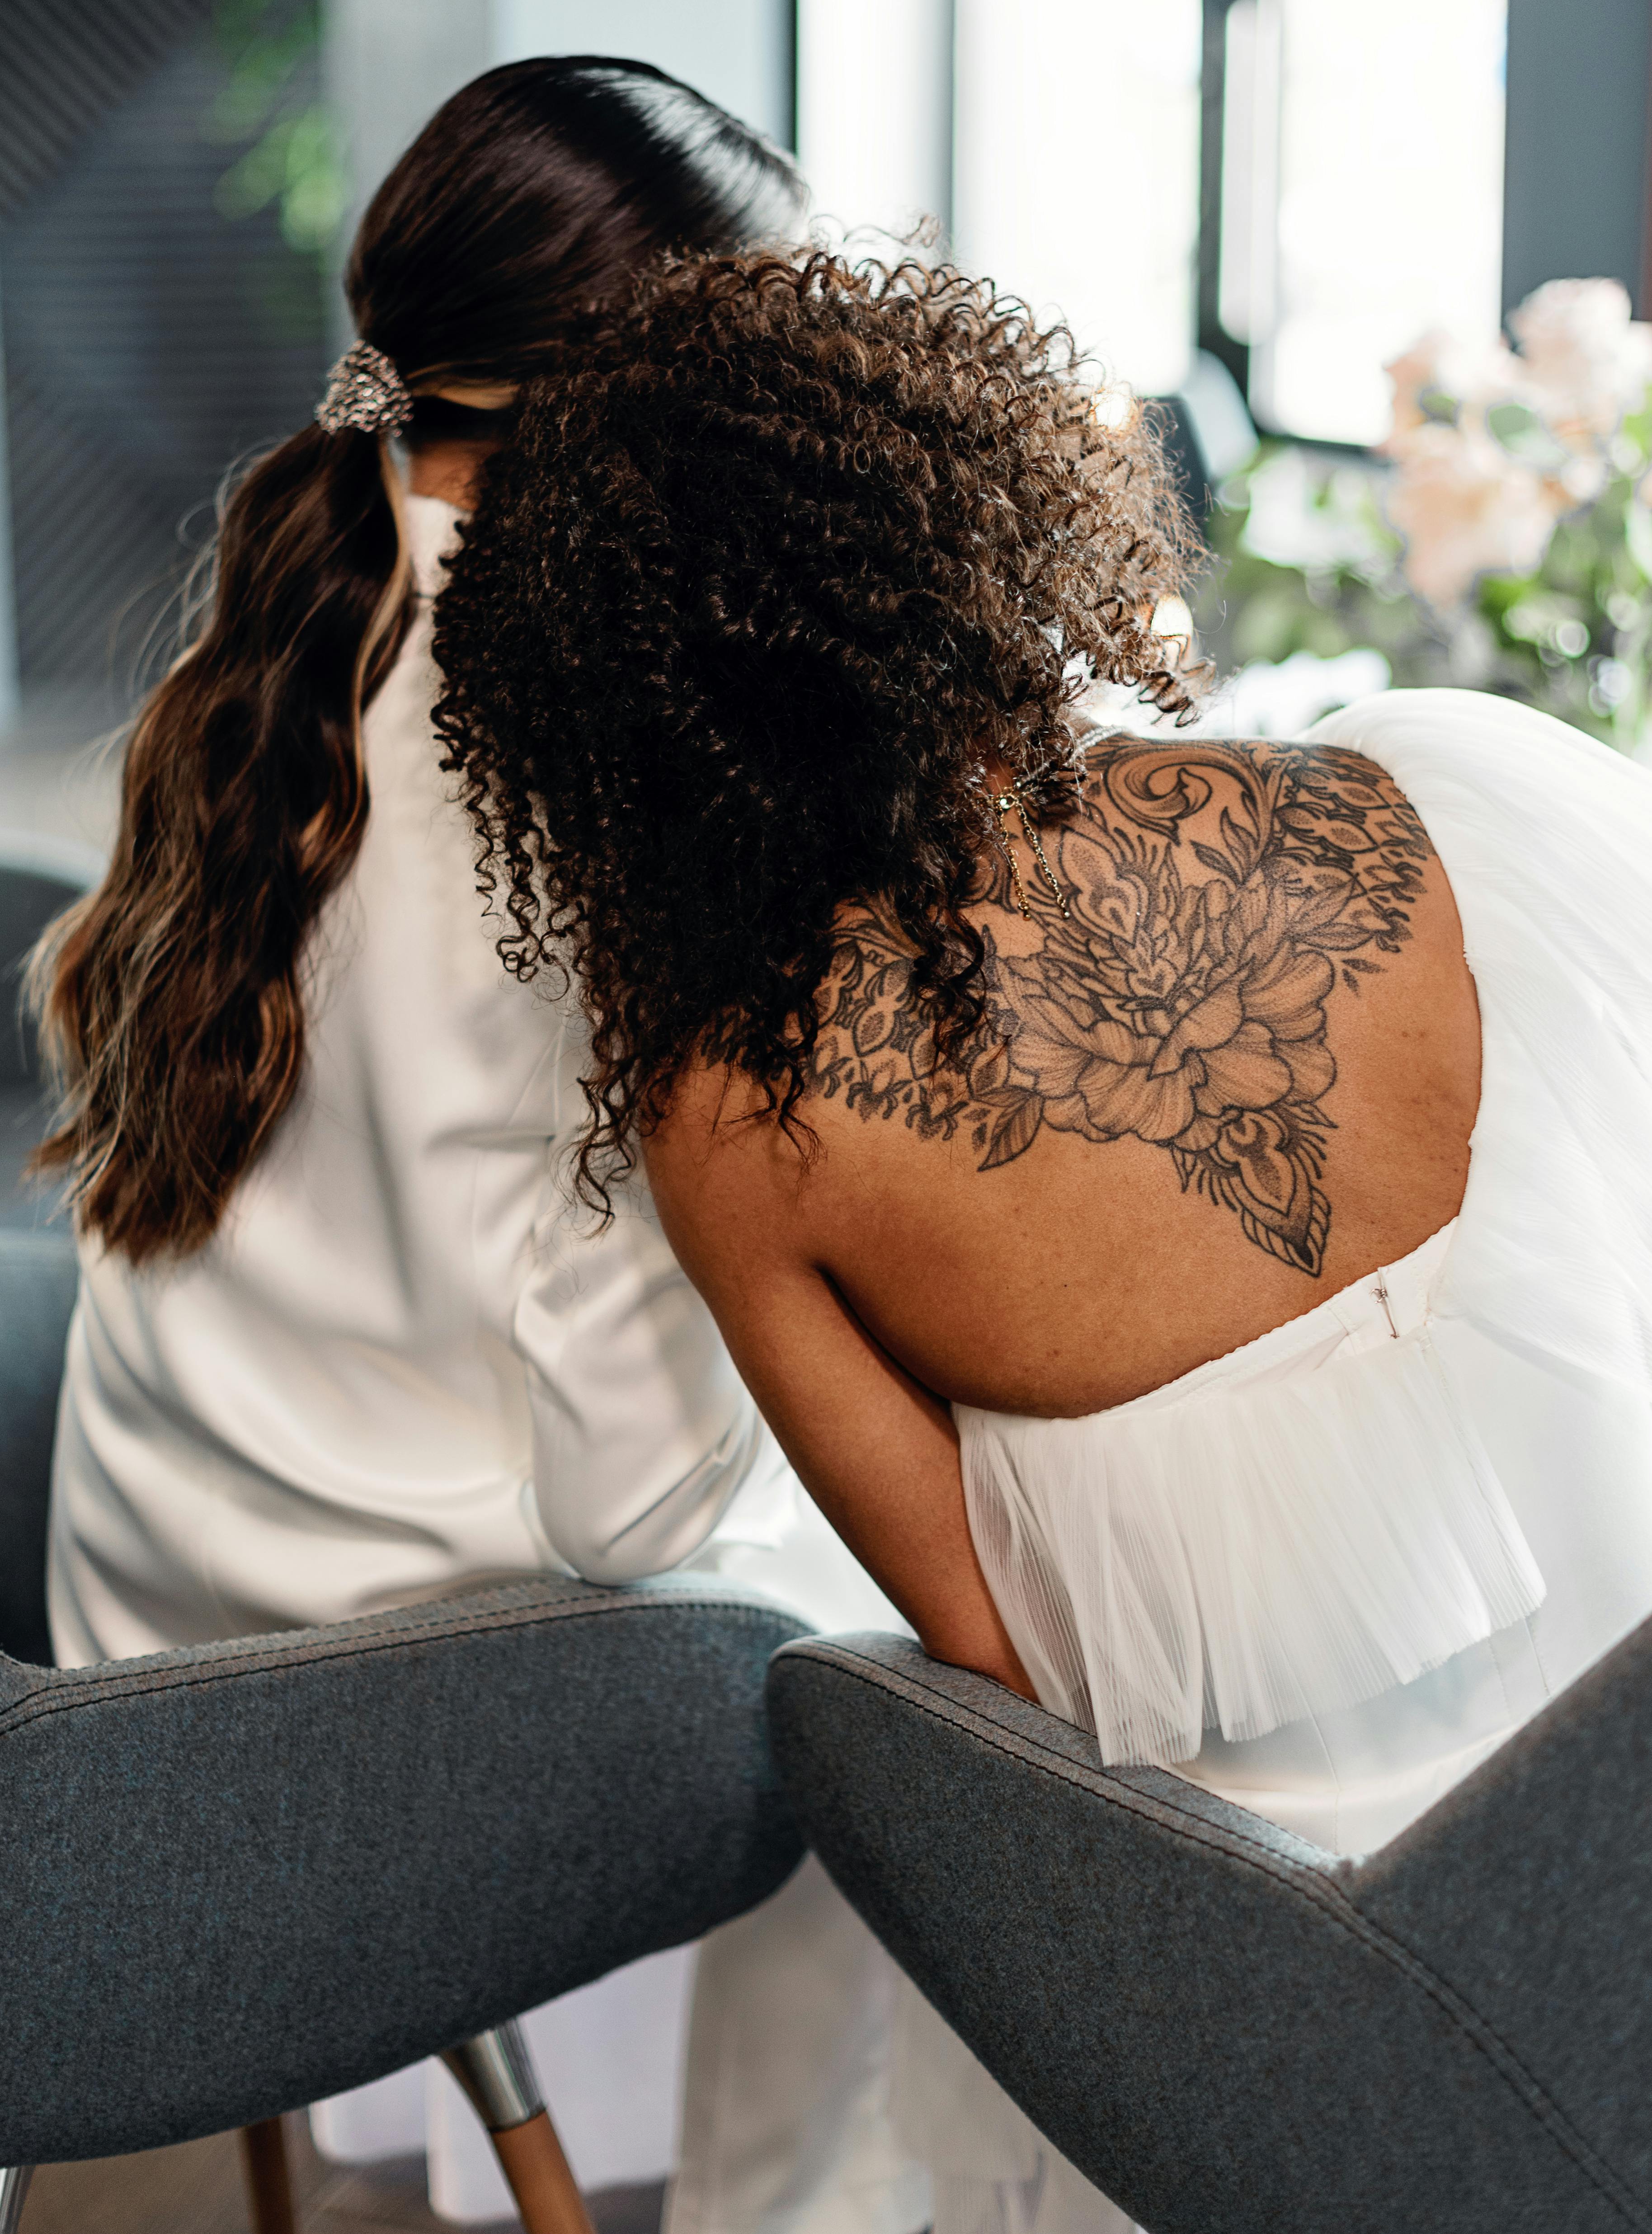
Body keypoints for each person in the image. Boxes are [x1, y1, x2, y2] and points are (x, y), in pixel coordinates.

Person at [432, 243, 1652, 2231]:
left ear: (623, 722)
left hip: (1219, 2029)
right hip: (1606, 1924)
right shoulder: (1448, 796)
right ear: (974, 511)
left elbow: (988, 1670)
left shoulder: (739, 1128)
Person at [29, 63, 925, 2228]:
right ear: (675, 389)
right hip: (370, 1689)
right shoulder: (598, 726)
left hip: (145, 1606)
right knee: (950, 1688)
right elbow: (625, 1501)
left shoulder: (296, 614)